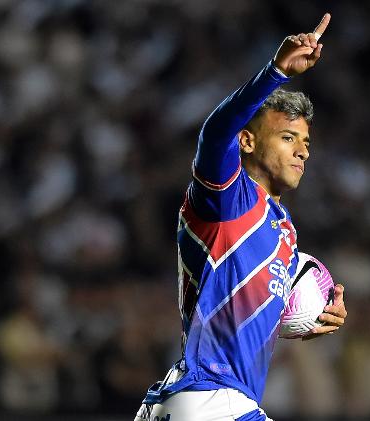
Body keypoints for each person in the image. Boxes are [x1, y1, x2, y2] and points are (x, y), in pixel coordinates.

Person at [134, 13, 347, 421]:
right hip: (209, 398)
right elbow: (214, 134)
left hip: (198, 402)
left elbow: (249, 303)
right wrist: (275, 73)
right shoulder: (229, 197)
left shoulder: (282, 230)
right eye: (288, 138)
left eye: (305, 142)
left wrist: (311, 315)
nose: (302, 151)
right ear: (247, 141)